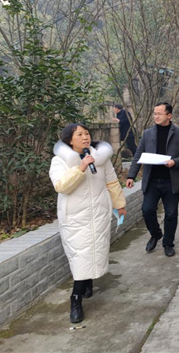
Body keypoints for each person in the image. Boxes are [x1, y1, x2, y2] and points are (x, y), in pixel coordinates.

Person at [49, 124, 127, 323]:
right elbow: (61, 186)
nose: (85, 137)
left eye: (87, 134)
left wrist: (119, 205)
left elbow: (112, 182)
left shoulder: (100, 159)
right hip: (75, 218)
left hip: (98, 214)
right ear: (69, 140)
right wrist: (81, 168)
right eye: (80, 134)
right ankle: (75, 299)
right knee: (80, 256)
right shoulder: (60, 161)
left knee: (94, 250)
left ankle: (88, 282)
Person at [126, 103, 179, 257]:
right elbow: (138, 155)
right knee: (147, 210)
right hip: (152, 181)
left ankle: (168, 243)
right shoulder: (147, 133)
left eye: (159, 113)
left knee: (171, 214)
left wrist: (175, 162)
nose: (156, 116)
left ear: (169, 115)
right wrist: (131, 176)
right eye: (155, 113)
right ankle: (156, 234)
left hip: (171, 181)